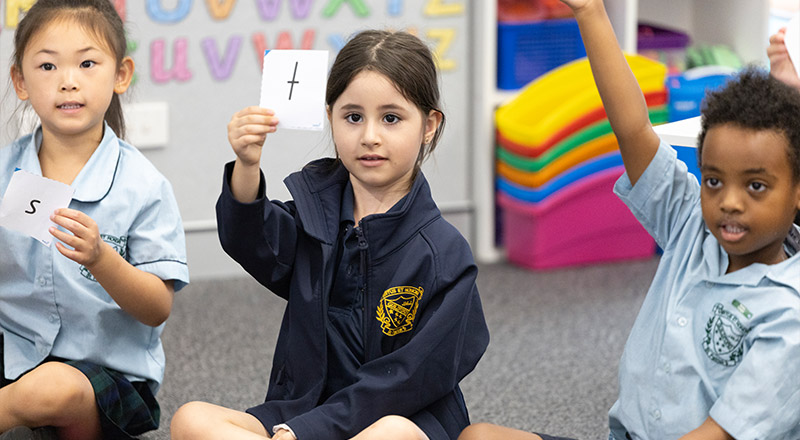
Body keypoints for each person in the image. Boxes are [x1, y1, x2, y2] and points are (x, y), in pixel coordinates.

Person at [460, 0, 800, 439]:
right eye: (714, 181)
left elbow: (718, 434)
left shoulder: (788, 314)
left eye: (755, 187)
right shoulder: (689, 225)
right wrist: (590, 13)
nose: (729, 202)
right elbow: (634, 130)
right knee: (480, 437)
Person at [170, 29, 489, 440]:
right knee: (191, 419)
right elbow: (254, 243)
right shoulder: (315, 215)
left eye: (391, 118)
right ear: (331, 116)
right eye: (353, 117)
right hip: (302, 408)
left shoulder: (444, 255)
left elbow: (405, 382)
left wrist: (307, 432)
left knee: (390, 434)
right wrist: (247, 165)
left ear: (428, 125)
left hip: (401, 418)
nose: (369, 136)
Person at [0, 1, 189, 439]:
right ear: (20, 81)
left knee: (55, 388)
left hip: (104, 377)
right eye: (47, 66)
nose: (68, 81)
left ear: (121, 74)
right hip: (14, 351)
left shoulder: (143, 185)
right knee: (35, 392)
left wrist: (102, 259)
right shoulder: (7, 171)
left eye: (87, 63)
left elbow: (156, 308)